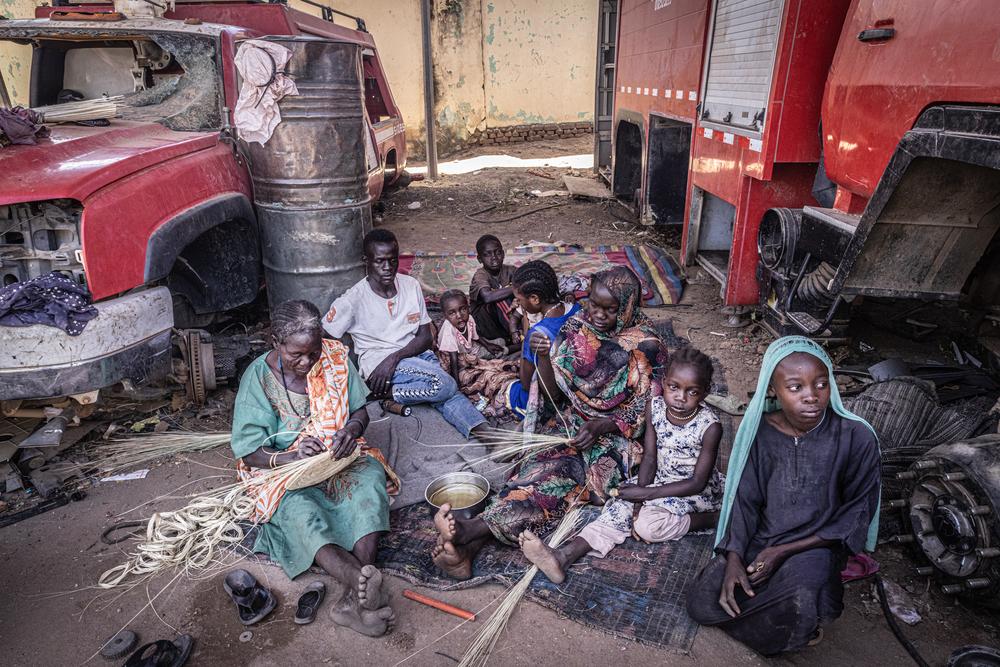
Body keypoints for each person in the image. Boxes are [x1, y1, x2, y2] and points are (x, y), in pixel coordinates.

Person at [431, 266, 668, 580]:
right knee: (532, 473)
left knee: (557, 484)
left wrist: (601, 426)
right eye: (592, 304)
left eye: (609, 310)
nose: (596, 314)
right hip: (570, 426)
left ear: (626, 307)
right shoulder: (577, 325)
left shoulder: (646, 347)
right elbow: (553, 394)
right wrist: (544, 357)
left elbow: (646, 414)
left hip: (617, 438)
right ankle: (467, 547)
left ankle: (468, 535)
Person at [685, 336, 881, 656]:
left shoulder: (856, 437)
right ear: (773, 390)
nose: (811, 397)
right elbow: (746, 501)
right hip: (762, 542)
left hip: (815, 547)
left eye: (820, 384)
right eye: (795, 387)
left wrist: (782, 551)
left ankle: (791, 617)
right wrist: (734, 557)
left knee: (804, 587)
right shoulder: (761, 433)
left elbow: (857, 513)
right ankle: (784, 625)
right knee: (701, 604)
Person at [230, 300, 395, 637]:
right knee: (299, 512)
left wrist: (350, 431)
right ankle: (359, 580)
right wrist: (290, 458)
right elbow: (249, 452)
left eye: (313, 352)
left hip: (336, 458)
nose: (307, 362)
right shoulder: (258, 379)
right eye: (297, 355)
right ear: (276, 341)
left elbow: (360, 411)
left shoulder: (334, 357)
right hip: (281, 470)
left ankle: (355, 598)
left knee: (368, 483)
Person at [520, 346, 724, 583]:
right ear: (665, 382)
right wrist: (638, 501)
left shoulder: (710, 426)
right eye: (674, 387)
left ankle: (714, 518)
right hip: (659, 479)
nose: (680, 397)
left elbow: (697, 482)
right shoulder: (655, 408)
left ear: (706, 392)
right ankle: (563, 556)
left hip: (693, 492)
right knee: (619, 507)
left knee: (649, 527)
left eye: (692, 392)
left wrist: (646, 493)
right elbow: (649, 457)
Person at [323, 229, 494, 441]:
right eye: (379, 261)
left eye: (392, 261)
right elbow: (325, 340)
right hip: (378, 364)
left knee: (442, 389)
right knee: (445, 384)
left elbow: (425, 337)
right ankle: (374, 392)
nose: (387, 268)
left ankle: (488, 434)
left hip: (411, 358)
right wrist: (352, 381)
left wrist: (394, 359)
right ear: (365, 261)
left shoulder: (410, 285)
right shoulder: (352, 300)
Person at [504, 260, 581, 419]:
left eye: (519, 299)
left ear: (534, 299)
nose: (518, 303)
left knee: (509, 389)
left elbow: (526, 383)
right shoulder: (577, 309)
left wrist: (526, 332)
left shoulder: (537, 334)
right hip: (578, 387)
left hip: (553, 396)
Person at [436, 289, 505, 386]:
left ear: (468, 308)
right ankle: (514, 348)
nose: (459, 316)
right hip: (455, 358)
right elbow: (454, 359)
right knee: (498, 351)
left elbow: (475, 336)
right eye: (452, 313)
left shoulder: (469, 319)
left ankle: (504, 351)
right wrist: (456, 384)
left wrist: (488, 345)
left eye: (463, 309)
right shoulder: (448, 329)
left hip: (469, 348)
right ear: (445, 316)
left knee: (500, 342)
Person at [468, 234, 519, 345]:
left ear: (503, 253)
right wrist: (517, 288)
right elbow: (487, 296)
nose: (494, 257)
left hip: (506, 320)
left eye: (498, 252)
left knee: (522, 298)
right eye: (487, 254)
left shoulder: (511, 270)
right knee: (499, 299)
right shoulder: (480, 275)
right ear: (479, 259)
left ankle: (517, 334)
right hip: (485, 323)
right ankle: (515, 336)